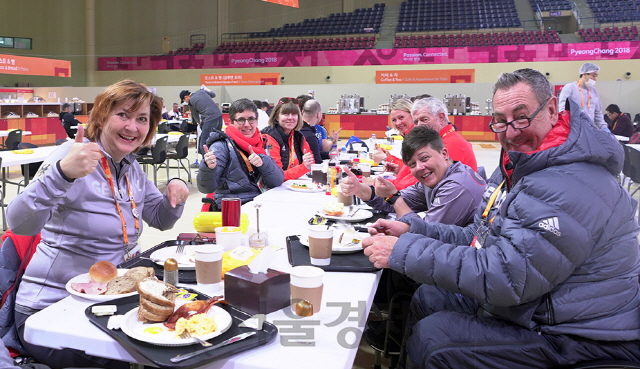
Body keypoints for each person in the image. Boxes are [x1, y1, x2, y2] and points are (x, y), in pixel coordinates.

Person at [363, 68, 640, 368]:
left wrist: (404, 250)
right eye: (501, 121)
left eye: (521, 117)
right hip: (536, 301)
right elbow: (479, 236)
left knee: (434, 339)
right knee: (428, 297)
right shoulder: (521, 165)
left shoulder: (570, 182)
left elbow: (507, 277)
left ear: (550, 109)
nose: (511, 131)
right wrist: (410, 229)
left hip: (579, 331)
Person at [7, 79, 190, 369]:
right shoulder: (72, 157)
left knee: (177, 338)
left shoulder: (131, 166)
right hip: (50, 309)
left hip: (103, 302)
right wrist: (62, 174)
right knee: (135, 358)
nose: (132, 126)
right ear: (102, 116)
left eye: (141, 119)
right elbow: (18, 224)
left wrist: (175, 193)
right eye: (123, 115)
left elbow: (160, 219)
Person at [341, 125, 485, 222]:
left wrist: (393, 197)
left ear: (444, 154)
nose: (420, 167)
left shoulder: (456, 186)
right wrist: (359, 189)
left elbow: (425, 235)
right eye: (412, 164)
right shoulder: (434, 179)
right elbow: (392, 202)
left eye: (424, 158)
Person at [197, 98, 284, 208]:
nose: (247, 124)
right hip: (235, 208)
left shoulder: (261, 142)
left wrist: (263, 163)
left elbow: (277, 181)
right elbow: (205, 188)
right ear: (231, 122)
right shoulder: (221, 146)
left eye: (251, 119)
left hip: (261, 202)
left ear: (257, 121)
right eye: (241, 120)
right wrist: (207, 168)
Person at [411, 97, 478, 171]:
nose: (419, 125)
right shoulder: (440, 140)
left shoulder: (451, 144)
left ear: (441, 118)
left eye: (424, 120)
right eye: (416, 122)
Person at [370, 98, 418, 191]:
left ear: (412, 115)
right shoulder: (409, 136)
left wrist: (385, 158)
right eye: (394, 120)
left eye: (401, 117)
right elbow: (409, 167)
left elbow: (415, 176)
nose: (398, 123)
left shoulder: (417, 137)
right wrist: (397, 167)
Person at [261, 97, 314, 181]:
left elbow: (311, 162)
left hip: (295, 183)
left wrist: (304, 167)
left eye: (294, 114)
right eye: (285, 114)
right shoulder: (269, 138)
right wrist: (303, 168)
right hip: (275, 189)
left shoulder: (298, 136)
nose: (290, 117)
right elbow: (277, 176)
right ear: (277, 117)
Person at [559, 62, 607, 129]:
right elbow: (562, 110)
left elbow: (598, 113)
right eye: (593, 75)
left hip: (589, 129)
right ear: (584, 74)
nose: (595, 79)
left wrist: (604, 128)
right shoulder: (570, 88)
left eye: (596, 76)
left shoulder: (593, 91)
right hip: (573, 128)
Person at [180, 87, 223, 157]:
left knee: (203, 143)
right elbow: (213, 94)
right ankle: (219, 159)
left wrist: (199, 124)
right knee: (216, 139)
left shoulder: (190, 103)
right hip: (219, 116)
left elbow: (195, 117)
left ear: (186, 97)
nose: (186, 102)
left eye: (184, 100)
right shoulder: (201, 91)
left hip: (210, 118)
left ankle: (205, 163)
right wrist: (206, 88)